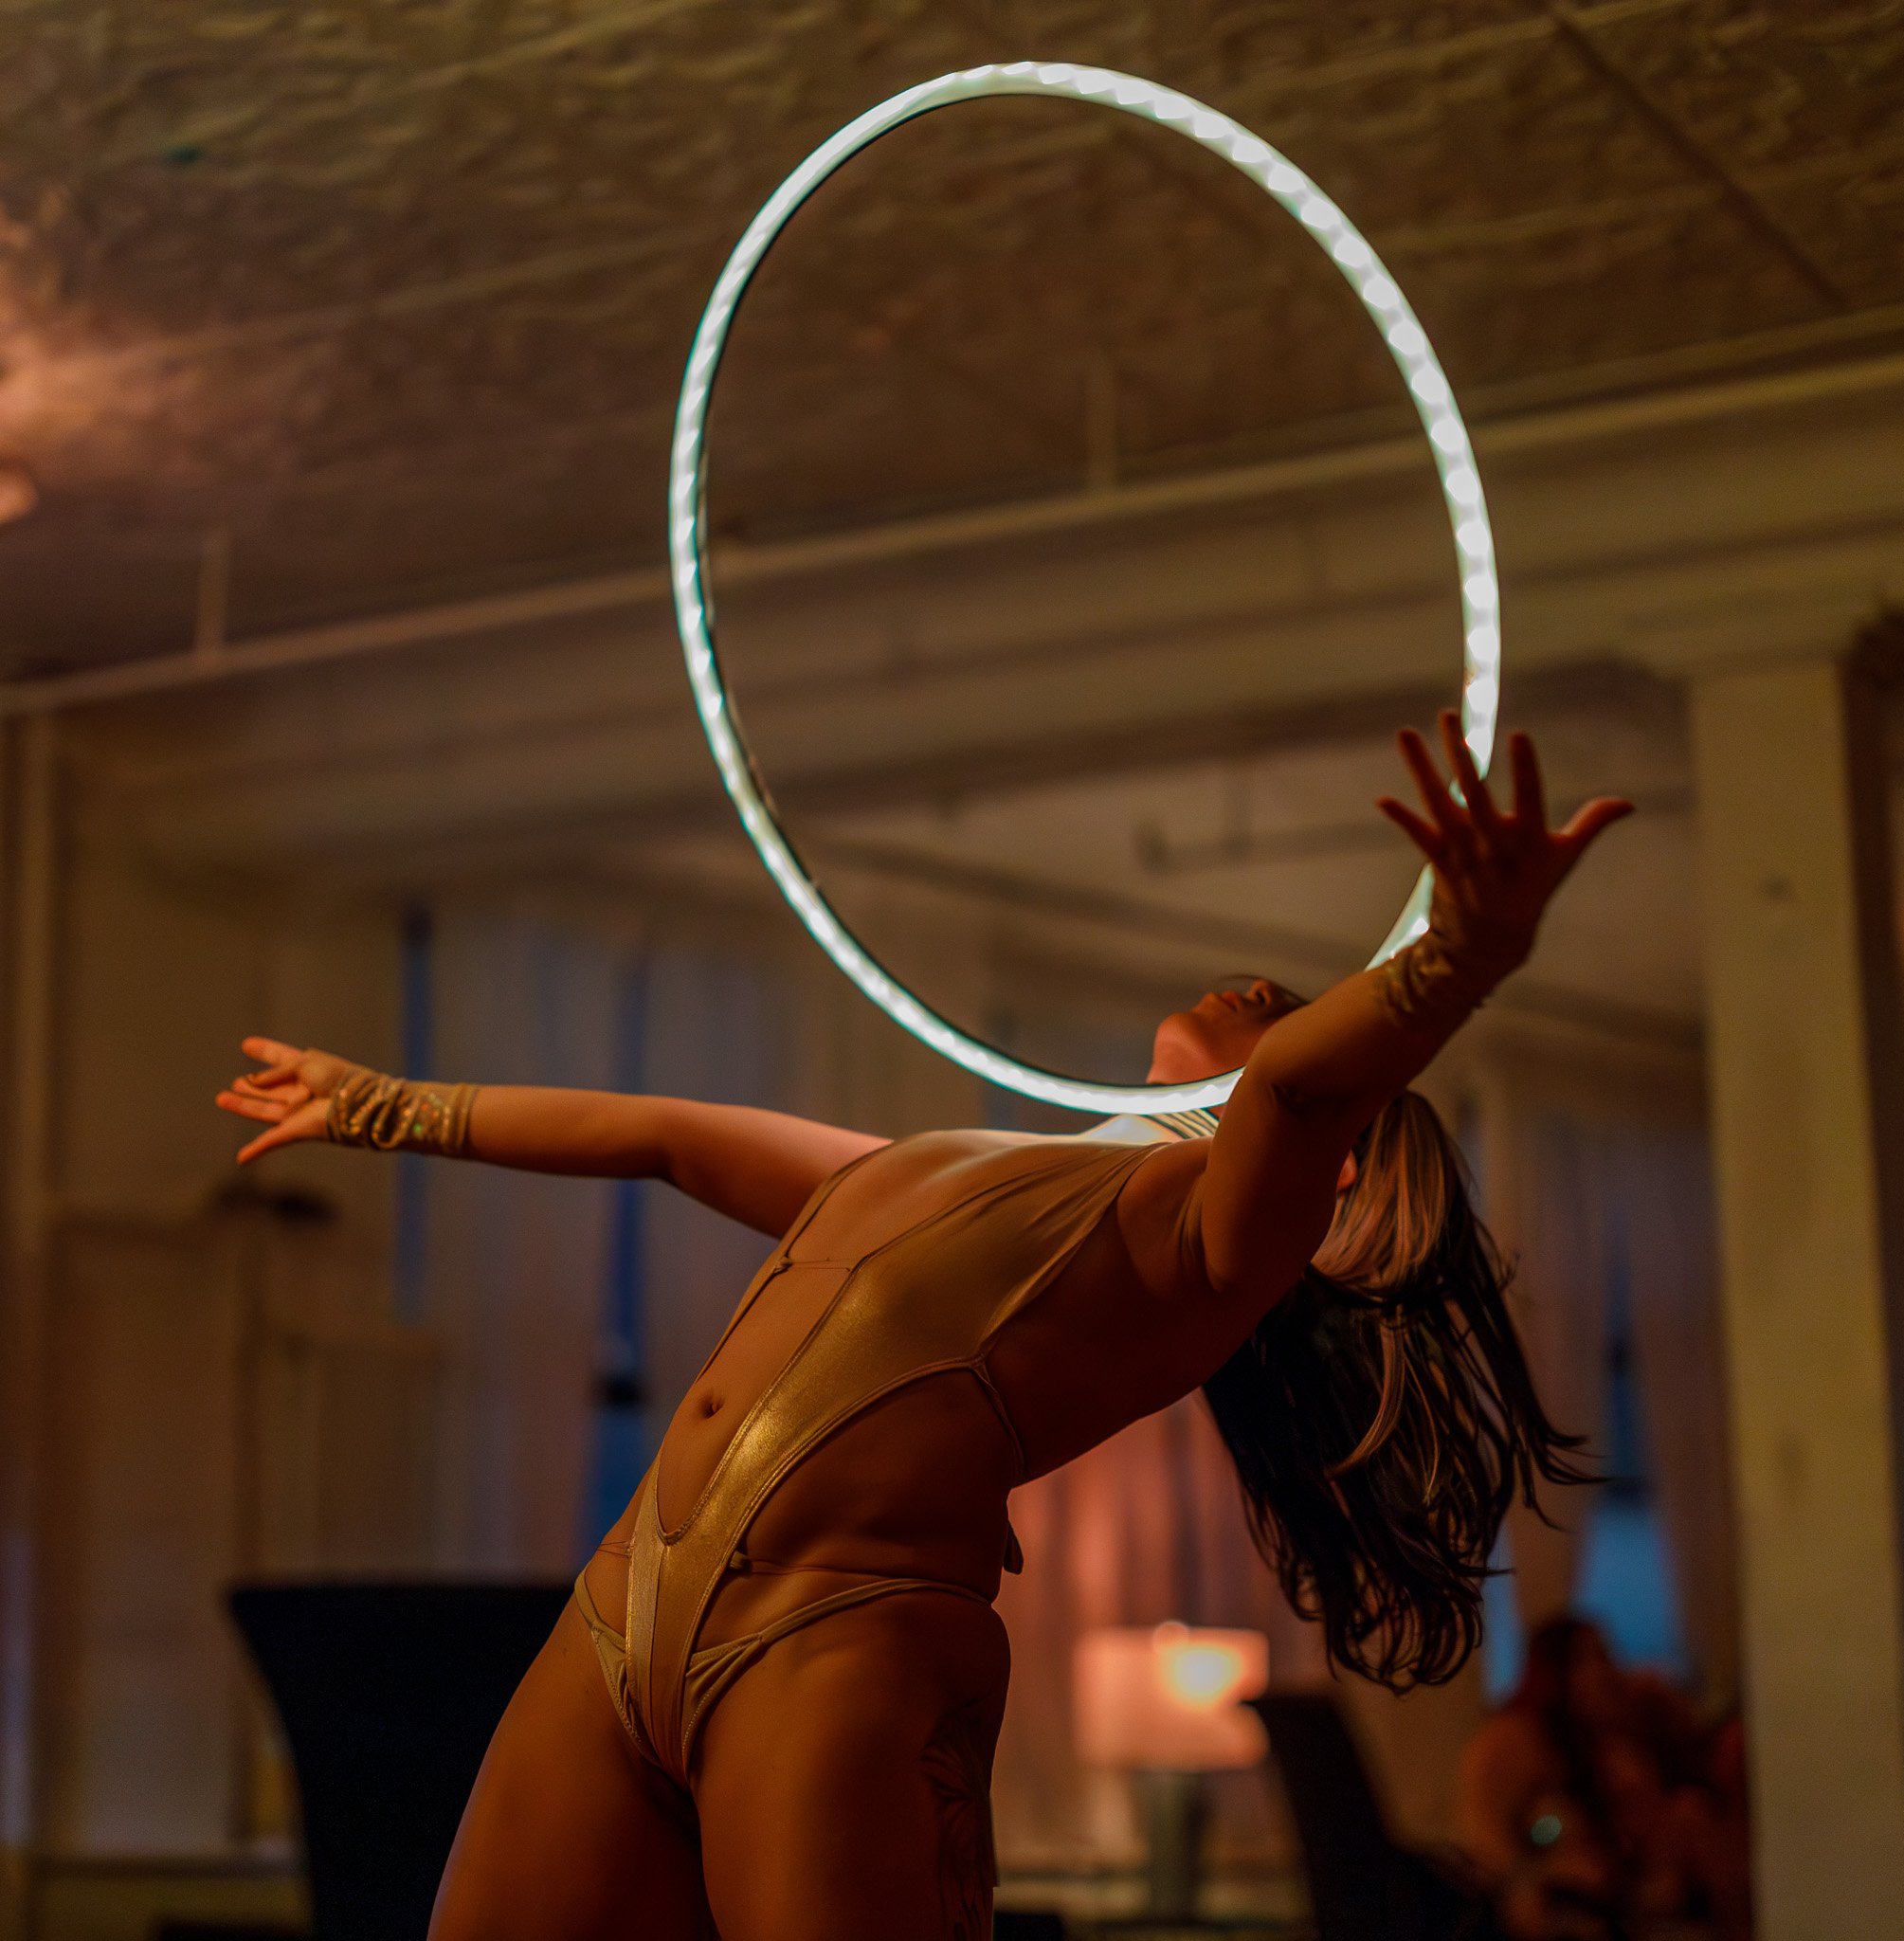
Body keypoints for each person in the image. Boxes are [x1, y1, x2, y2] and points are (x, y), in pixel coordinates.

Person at [216, 714, 1629, 1941]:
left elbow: (1305, 1092)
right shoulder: (967, 1169)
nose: (1266, 991)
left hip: (829, 1647)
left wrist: (1465, 955)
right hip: (618, 1616)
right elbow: (667, 1136)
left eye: (1300, 1011)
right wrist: (391, 1108)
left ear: (1331, 1172)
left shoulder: (1203, 1241)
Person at [1457, 1617, 1752, 1940]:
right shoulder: (1530, 1747)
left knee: (1694, 1811)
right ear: (1555, 1673)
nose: (1601, 1672)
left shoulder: (1625, 1733)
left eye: (1604, 1656)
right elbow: (1524, 1838)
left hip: (1649, 1878)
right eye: (1584, 1660)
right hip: (1593, 1887)